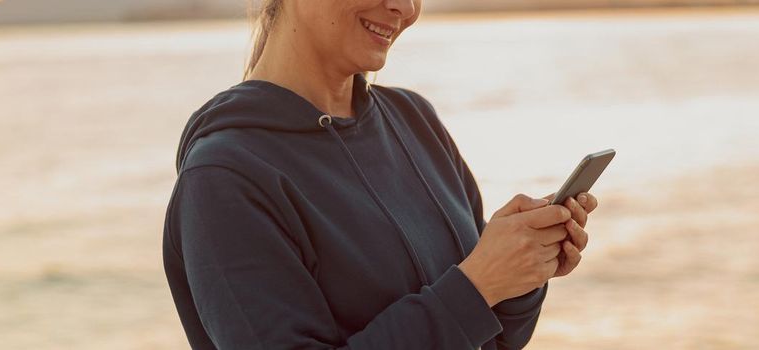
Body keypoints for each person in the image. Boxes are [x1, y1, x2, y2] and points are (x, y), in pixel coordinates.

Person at [162, 1, 599, 349]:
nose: (404, 7)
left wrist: (522, 272)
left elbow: (496, 339)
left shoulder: (413, 119)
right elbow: (468, 301)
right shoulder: (224, 178)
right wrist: (476, 286)